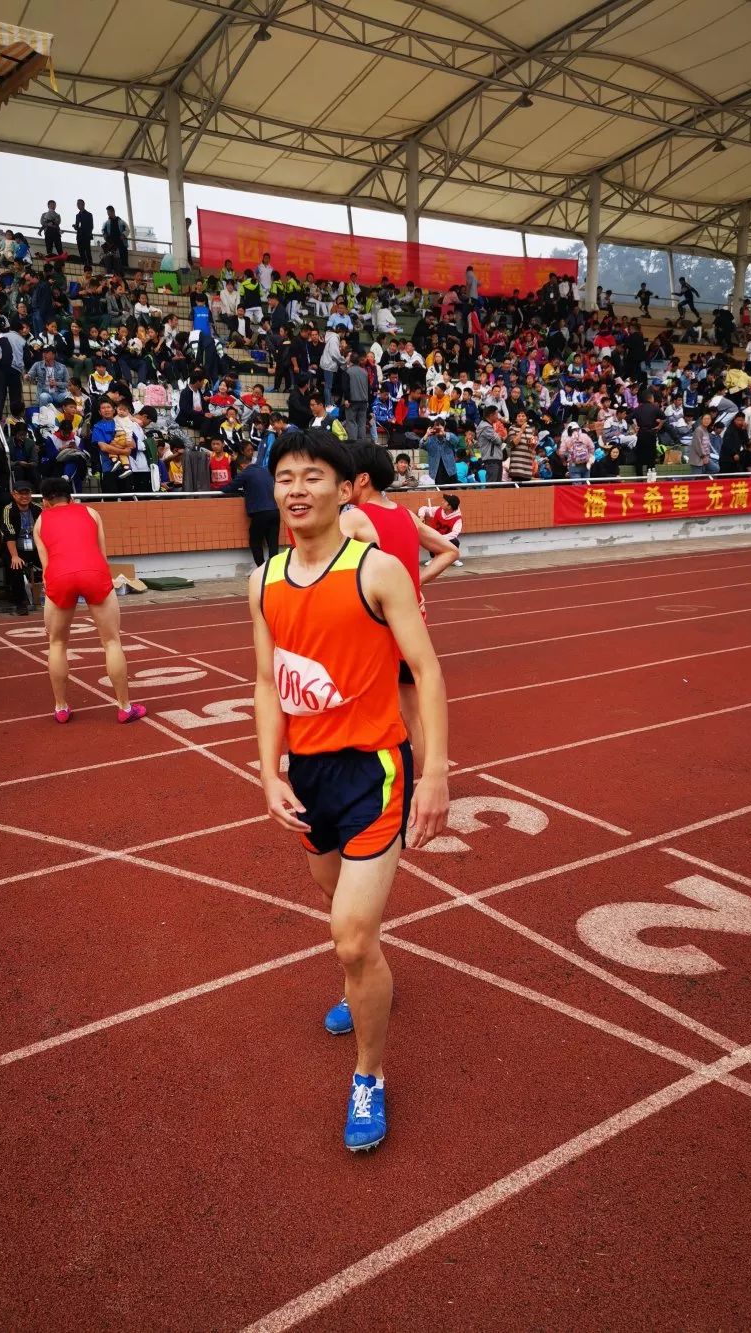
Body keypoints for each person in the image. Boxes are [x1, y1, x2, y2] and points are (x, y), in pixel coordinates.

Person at [250, 428, 449, 1152]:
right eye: (285, 477)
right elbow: (266, 684)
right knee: (336, 912)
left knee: (352, 936)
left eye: (312, 476)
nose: (296, 488)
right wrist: (268, 769)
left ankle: (369, 1074)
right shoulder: (264, 579)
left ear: (343, 490)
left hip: (375, 772)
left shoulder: (377, 571)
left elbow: (425, 672)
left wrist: (437, 773)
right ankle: (359, 977)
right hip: (308, 777)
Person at [339, 443, 458, 774]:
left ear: (362, 479)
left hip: (376, 630)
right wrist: (413, 585)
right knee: (412, 711)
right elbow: (448, 550)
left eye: (344, 477)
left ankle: (374, 782)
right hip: (412, 626)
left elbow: (318, 558)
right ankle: (433, 778)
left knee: (365, 709)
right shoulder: (404, 514)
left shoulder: (355, 518)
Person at [34, 477, 146, 724]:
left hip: (59, 575)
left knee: (57, 643)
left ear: (44, 502)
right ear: (71, 497)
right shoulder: (91, 513)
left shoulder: (40, 521)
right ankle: (125, 707)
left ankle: (61, 708)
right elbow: (101, 554)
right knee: (111, 641)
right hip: (93, 571)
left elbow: (46, 567)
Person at [219, 452, 280, 565]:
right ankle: (273, 570)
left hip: (260, 512)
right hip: (275, 511)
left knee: (255, 542)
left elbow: (229, 488)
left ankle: (261, 569)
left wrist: (220, 488)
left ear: (242, 465)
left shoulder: (246, 473)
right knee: (273, 543)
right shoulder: (265, 471)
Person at [0, 480, 42, 614]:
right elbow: (9, 534)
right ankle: (20, 602)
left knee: (54, 562)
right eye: (21, 494)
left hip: (35, 547)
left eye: (27, 493)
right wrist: (15, 556)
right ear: (14, 494)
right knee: (15, 566)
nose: (24, 497)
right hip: (15, 548)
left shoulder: (37, 508)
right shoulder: (8, 510)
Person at [74, 199, 94, 267]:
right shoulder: (77, 215)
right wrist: (75, 227)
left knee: (87, 250)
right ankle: (83, 263)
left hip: (86, 235)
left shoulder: (89, 214)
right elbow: (78, 226)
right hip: (79, 236)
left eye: (79, 204)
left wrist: (87, 232)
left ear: (83, 204)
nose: (78, 205)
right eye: (77, 204)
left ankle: (90, 263)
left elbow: (91, 226)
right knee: (81, 251)